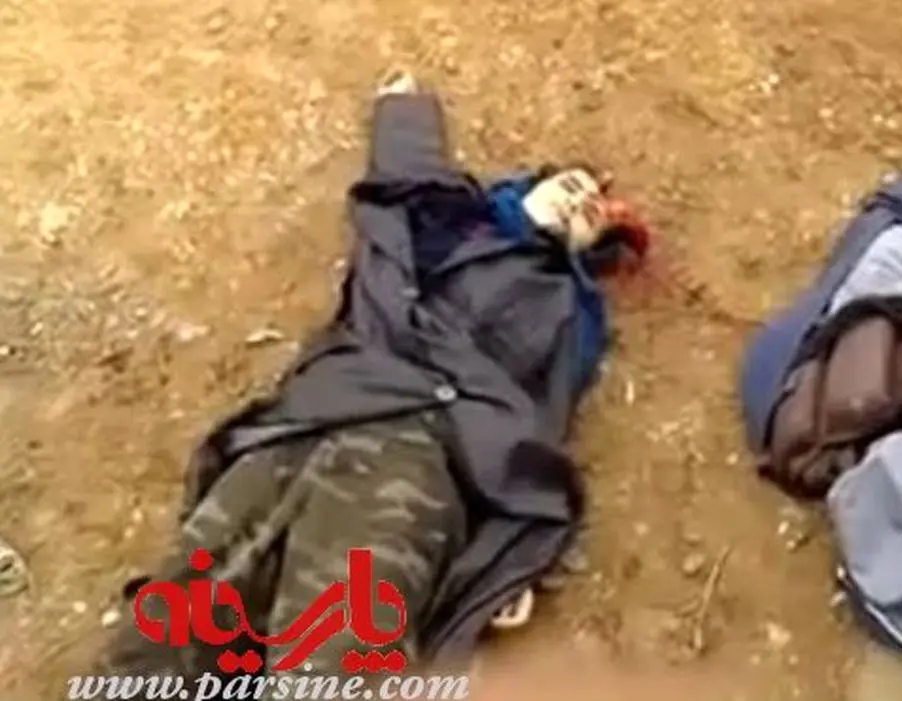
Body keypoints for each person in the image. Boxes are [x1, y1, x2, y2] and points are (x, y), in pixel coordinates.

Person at [89, 71, 648, 694]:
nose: (576, 204)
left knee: (335, 668)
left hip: (417, 458)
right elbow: (405, 170)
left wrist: (504, 558)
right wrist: (403, 106)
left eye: (590, 215)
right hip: (311, 420)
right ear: (528, 185)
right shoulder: (441, 216)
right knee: (157, 641)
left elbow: (538, 423)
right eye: (570, 187)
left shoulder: (567, 307)